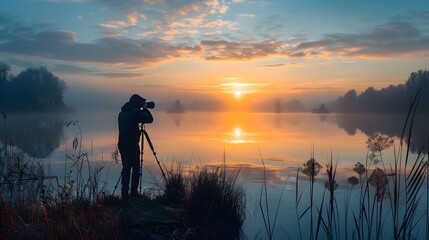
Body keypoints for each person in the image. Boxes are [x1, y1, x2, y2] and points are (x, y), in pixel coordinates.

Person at [118, 94, 153, 201]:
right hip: (132, 145)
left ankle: (124, 194)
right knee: (136, 169)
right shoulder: (135, 112)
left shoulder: (123, 112)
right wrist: (145, 108)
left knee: (126, 168)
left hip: (123, 144)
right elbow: (150, 119)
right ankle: (133, 193)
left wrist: (141, 108)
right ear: (137, 104)